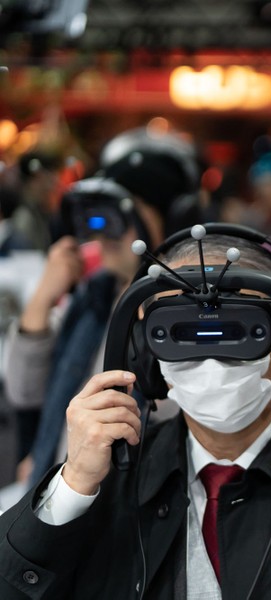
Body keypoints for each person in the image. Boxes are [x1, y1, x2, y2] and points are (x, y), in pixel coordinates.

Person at [0, 228, 271, 598]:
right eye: (181, 332)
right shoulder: (107, 480)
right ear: (144, 351)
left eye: (238, 330)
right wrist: (71, 487)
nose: (211, 358)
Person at [4, 128, 204, 489]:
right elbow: (24, 392)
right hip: (59, 491)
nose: (106, 233)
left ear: (173, 220)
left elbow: (186, 419)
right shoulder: (93, 295)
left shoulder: (189, 311)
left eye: (123, 216)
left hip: (126, 508)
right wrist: (41, 301)